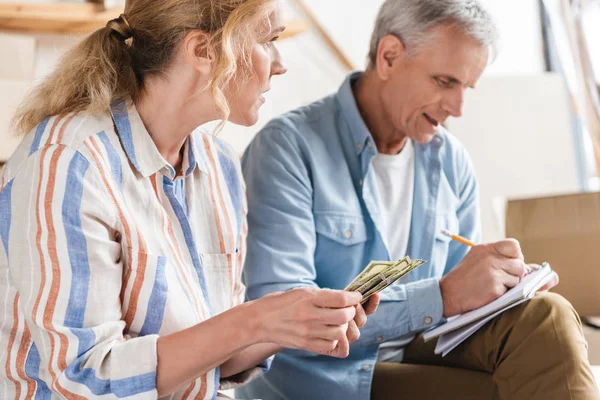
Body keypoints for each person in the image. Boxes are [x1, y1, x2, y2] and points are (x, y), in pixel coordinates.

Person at [0, 0, 380, 398]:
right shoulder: (68, 164)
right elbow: (85, 377)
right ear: (203, 50)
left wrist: (287, 323)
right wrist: (254, 320)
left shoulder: (219, 167)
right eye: (268, 40)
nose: (280, 64)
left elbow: (210, 360)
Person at [237, 0, 600, 399]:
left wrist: (504, 287)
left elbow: (461, 310)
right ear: (389, 57)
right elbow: (277, 319)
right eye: (445, 82)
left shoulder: (451, 161)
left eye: (467, 87)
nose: (458, 108)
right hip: (326, 376)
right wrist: (443, 295)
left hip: (420, 347)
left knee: (548, 316)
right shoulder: (287, 149)